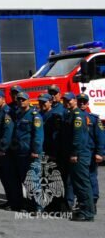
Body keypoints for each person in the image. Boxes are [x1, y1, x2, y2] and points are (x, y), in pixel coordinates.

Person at [62, 92, 95, 221]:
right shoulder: (70, 114)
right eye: (65, 100)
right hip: (76, 154)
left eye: (69, 100)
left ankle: (87, 213)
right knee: (77, 184)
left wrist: (75, 153)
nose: (67, 102)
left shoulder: (77, 116)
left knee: (82, 184)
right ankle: (84, 209)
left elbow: (77, 137)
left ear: (74, 101)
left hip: (80, 155)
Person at [9, 90, 43, 212]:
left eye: (23, 99)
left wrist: (36, 150)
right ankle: (30, 204)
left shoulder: (35, 115)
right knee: (25, 180)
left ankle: (38, 206)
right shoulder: (18, 114)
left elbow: (38, 135)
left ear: (28, 101)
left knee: (33, 179)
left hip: (31, 153)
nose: (21, 101)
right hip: (20, 152)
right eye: (19, 99)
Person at [77, 93, 104, 212]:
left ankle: (93, 200)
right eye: (80, 101)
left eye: (84, 101)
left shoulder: (94, 119)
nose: (82, 103)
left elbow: (101, 137)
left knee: (91, 176)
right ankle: (83, 201)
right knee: (80, 179)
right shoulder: (74, 116)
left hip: (91, 153)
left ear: (88, 103)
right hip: (80, 153)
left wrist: (100, 153)